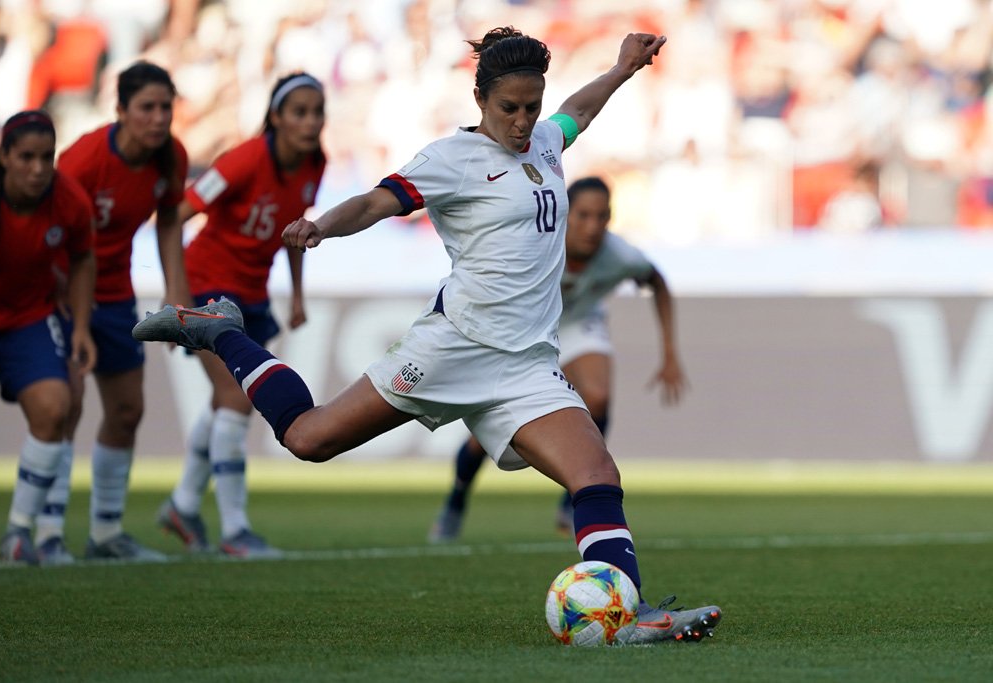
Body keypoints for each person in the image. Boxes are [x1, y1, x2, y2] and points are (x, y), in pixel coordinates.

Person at [135, 28, 722, 642]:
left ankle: (627, 615)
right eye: (509, 109)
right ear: (480, 101)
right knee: (309, 438)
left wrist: (623, 68)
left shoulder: (548, 141)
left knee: (598, 476)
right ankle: (222, 331)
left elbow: (578, 110)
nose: (523, 121)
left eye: (531, 106)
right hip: (452, 349)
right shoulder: (449, 160)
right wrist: (321, 226)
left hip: (525, 366)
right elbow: (375, 202)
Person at [428, 175, 687, 543]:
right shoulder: (534, 241)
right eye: (582, 215)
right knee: (482, 438)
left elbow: (656, 280)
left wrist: (670, 354)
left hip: (577, 322)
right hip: (523, 327)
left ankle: (574, 495)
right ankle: (457, 498)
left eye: (602, 217)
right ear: (564, 214)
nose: (592, 226)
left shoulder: (620, 255)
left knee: (597, 396)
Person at [155, 72, 326, 559]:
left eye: (317, 112)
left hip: (250, 295)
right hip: (207, 289)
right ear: (275, 117)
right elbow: (175, 215)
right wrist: (178, 298)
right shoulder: (244, 159)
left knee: (227, 401)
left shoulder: (316, 164)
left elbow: (294, 232)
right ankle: (235, 531)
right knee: (234, 395)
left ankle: (183, 505)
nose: (311, 121)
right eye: (299, 111)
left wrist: (296, 294)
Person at [51, 61, 190, 562]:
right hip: (62, 292)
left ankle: (105, 536)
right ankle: (45, 533)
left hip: (115, 294)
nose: (158, 119)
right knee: (63, 407)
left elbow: (171, 215)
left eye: (165, 108)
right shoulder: (83, 162)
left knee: (128, 409)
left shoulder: (170, 156)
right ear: (120, 111)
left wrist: (175, 289)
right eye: (147, 108)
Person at [0, 110, 96, 566]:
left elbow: (82, 259)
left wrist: (80, 326)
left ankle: (19, 533)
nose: (38, 168)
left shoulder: (69, 200)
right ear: (2, 157)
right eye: (26, 157)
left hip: (27, 323)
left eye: (47, 157)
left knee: (54, 406)